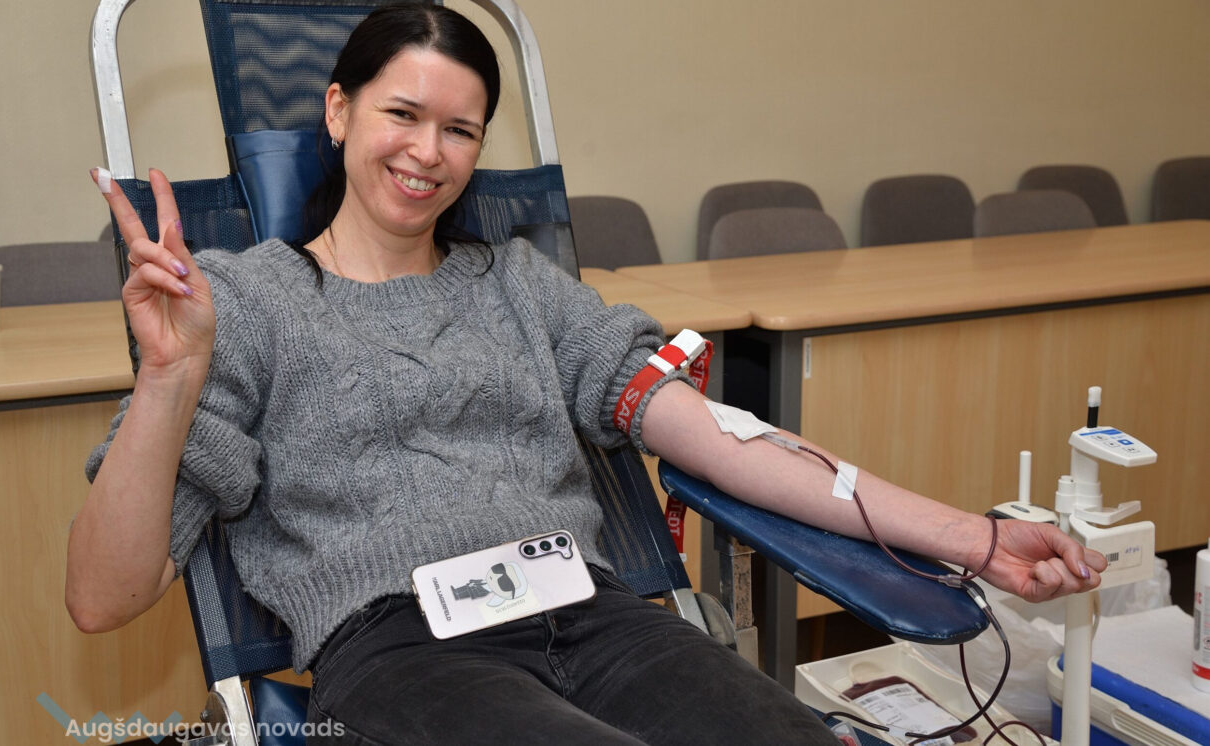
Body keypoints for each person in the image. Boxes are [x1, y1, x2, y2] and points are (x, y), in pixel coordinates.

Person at [66, 5, 1106, 744]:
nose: (428, 151)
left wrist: (975, 538)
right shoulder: (241, 304)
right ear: (337, 112)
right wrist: (168, 378)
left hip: (597, 617)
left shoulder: (525, 287)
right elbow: (101, 597)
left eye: (460, 129)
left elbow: (726, 444)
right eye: (401, 114)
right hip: (403, 651)